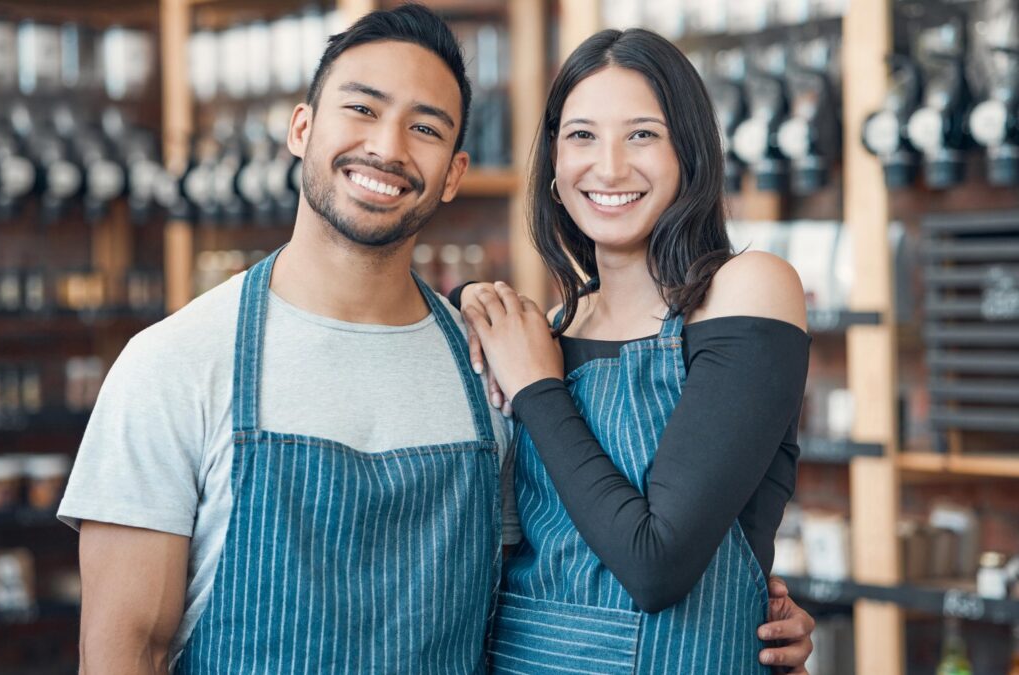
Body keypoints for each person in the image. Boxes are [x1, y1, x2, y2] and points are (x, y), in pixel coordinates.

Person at [57, 6, 813, 674]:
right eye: (361, 109)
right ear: (301, 128)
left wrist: (746, 604)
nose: (387, 148)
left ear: (454, 172)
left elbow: (547, 578)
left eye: (424, 127)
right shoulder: (174, 364)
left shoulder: (491, 362)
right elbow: (126, 649)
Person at [458, 27, 813, 674]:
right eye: (582, 135)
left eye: (642, 134)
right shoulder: (547, 329)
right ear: (556, 165)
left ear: (690, 152)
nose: (610, 166)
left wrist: (539, 389)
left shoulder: (747, 288)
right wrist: (477, 309)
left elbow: (657, 564)